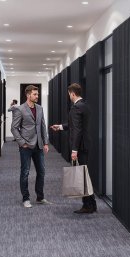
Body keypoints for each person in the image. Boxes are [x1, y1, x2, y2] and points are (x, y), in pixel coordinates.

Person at [51, 83, 97, 214]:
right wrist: (60, 127)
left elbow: (77, 130)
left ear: (72, 93)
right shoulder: (85, 105)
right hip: (86, 144)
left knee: (82, 175)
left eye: (69, 94)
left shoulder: (76, 107)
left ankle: (88, 205)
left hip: (80, 146)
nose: (69, 96)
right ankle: (91, 203)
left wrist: (74, 150)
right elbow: (75, 125)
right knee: (84, 174)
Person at [11, 85, 50, 208]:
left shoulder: (40, 108)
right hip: (26, 146)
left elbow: (42, 126)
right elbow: (14, 128)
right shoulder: (20, 109)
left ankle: (40, 197)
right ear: (28, 95)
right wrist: (22, 143)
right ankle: (26, 198)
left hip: (39, 145)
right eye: (35, 94)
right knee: (25, 172)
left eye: (37, 94)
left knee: (41, 172)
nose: (37, 96)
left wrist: (45, 142)